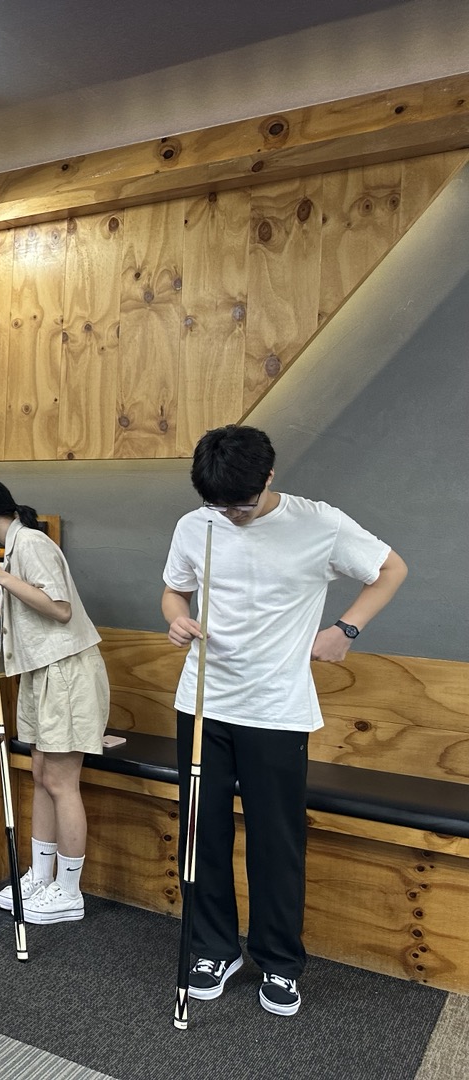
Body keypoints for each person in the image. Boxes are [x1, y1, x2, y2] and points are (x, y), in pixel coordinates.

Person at [162, 424, 406, 1018]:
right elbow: (173, 591)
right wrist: (176, 619)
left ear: (269, 478)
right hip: (202, 702)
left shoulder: (320, 524)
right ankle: (213, 950)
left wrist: (345, 629)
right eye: (219, 505)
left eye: (242, 505)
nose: (231, 515)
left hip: (275, 708)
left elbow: (392, 569)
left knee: (276, 840)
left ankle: (279, 960)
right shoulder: (196, 525)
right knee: (202, 834)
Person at [0, 475, 108, 926]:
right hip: (41, 671)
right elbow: (7, 603)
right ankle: (41, 876)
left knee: (62, 782)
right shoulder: (13, 548)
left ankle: (69, 890)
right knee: (42, 774)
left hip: (65, 671)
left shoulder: (30, 544)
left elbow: (59, 608)